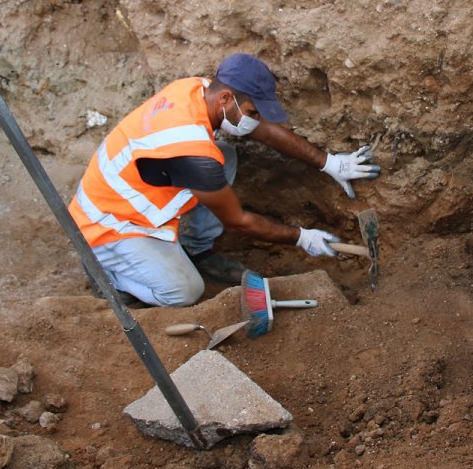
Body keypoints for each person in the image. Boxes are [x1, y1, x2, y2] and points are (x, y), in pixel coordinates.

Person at [68, 53, 380, 307]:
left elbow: (264, 132)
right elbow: (238, 221)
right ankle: (109, 276)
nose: (256, 120)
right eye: (253, 112)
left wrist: (329, 163)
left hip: (132, 192)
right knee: (184, 291)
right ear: (227, 98)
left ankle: (197, 251)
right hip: (108, 225)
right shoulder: (194, 155)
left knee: (225, 155)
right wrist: (300, 237)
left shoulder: (198, 90)